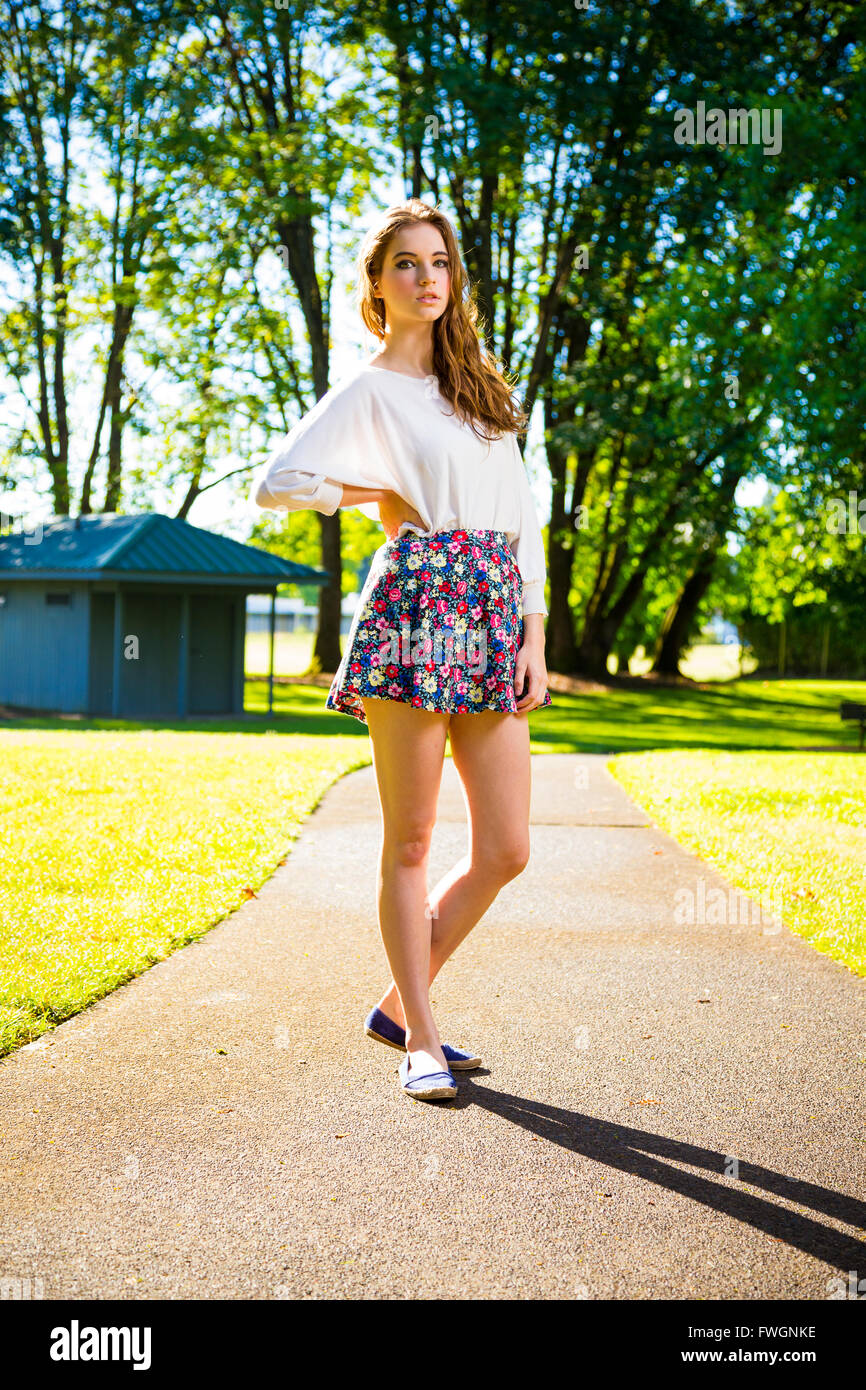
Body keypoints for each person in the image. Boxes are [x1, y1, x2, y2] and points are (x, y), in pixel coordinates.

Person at [250, 198, 552, 1103]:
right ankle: (422, 1037)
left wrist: (535, 630)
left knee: (506, 846)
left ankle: (395, 1002)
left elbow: (524, 515)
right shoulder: (371, 388)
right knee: (412, 837)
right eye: (407, 265)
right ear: (379, 286)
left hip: (497, 609)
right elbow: (279, 484)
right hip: (418, 603)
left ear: (455, 278)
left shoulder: (485, 389)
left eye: (440, 263)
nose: (427, 278)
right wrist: (375, 485)